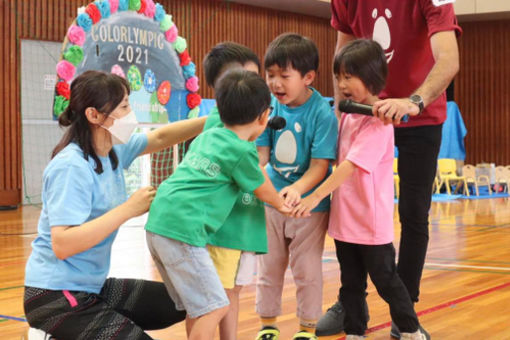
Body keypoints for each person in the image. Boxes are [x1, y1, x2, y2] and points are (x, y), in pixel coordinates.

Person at [23, 70, 207, 340]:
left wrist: (215, 120)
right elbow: (63, 244)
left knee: (182, 300)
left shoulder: (112, 149)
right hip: (55, 296)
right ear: (94, 115)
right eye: (123, 107)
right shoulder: (71, 167)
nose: (130, 113)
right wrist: (128, 209)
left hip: (93, 288)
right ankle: (52, 333)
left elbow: (159, 138)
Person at [316, 0, 461, 337]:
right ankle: (350, 301)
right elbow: (343, 55)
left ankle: (404, 309)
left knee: (413, 213)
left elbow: (448, 58)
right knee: (347, 200)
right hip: (362, 112)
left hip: (419, 114)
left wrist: (414, 101)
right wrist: (338, 119)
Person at [292, 39, 427, 340]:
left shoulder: (379, 126)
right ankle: (355, 331)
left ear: (371, 77)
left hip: (370, 223)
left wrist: (314, 196)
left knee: (386, 280)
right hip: (345, 222)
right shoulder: (349, 116)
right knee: (350, 283)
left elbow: (349, 167)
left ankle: (409, 328)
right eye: (339, 76)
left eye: (348, 76)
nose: (341, 84)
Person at [145, 69, 291, 340]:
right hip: (181, 232)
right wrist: (284, 206)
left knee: (201, 307)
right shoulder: (241, 150)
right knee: (215, 306)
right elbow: (263, 189)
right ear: (263, 117)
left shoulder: (207, 136)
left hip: (157, 225)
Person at [255, 33, 338, 340]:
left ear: (308, 77)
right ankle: (267, 327)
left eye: (283, 76)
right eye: (270, 75)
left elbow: (320, 166)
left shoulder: (322, 114)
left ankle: (306, 328)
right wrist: (263, 187)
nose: (275, 83)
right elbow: (261, 155)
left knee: (307, 271)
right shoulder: (268, 107)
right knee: (269, 267)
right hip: (272, 203)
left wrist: (297, 190)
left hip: (309, 208)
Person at [202, 41, 266, 340]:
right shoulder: (223, 124)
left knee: (232, 292)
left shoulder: (243, 122)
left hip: (242, 227)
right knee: (217, 297)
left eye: (255, 80)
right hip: (225, 230)